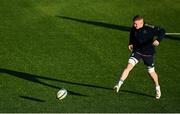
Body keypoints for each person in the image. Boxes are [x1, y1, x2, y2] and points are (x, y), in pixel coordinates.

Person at [114, 15, 165, 99]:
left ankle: (157, 88)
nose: (134, 25)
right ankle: (118, 84)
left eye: (136, 24)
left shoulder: (149, 28)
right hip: (137, 51)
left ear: (141, 22)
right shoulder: (134, 27)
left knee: (151, 72)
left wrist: (158, 40)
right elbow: (131, 33)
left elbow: (162, 31)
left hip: (148, 53)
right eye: (134, 24)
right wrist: (130, 43)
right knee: (128, 67)